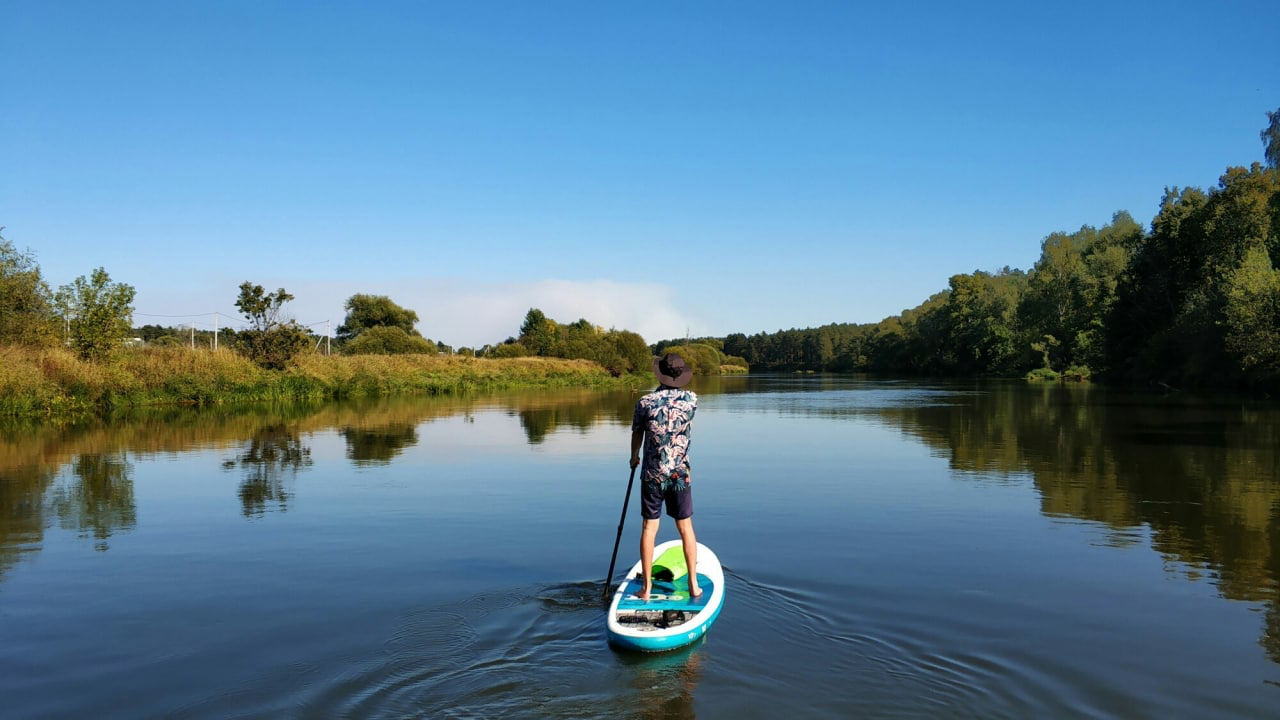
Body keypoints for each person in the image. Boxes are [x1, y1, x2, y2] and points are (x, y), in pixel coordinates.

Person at [629, 352, 700, 601]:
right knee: (686, 528)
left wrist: (633, 456)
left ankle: (646, 588)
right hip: (680, 475)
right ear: (681, 376)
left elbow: (638, 432)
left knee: (649, 528)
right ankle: (693, 584)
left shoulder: (645, 403)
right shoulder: (692, 399)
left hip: (652, 475)